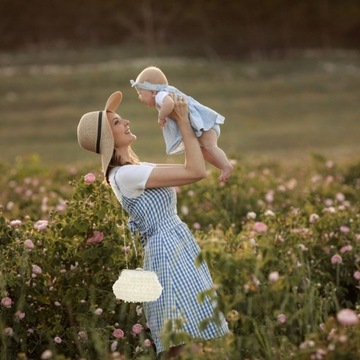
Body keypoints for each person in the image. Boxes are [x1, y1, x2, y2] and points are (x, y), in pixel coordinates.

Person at [77, 91, 229, 359]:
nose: (126, 123)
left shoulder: (133, 169)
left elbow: (191, 164)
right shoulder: (126, 175)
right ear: (108, 139)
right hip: (168, 250)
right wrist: (182, 122)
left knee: (185, 339)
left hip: (174, 245)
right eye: (117, 123)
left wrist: (189, 123)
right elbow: (196, 172)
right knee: (181, 340)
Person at [130, 66, 233, 183]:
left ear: (153, 92)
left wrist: (161, 116)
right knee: (204, 151)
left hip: (204, 125)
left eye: (140, 93)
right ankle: (222, 166)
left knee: (210, 147)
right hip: (202, 126)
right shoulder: (164, 93)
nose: (139, 97)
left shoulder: (161, 95)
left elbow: (169, 103)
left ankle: (226, 166)